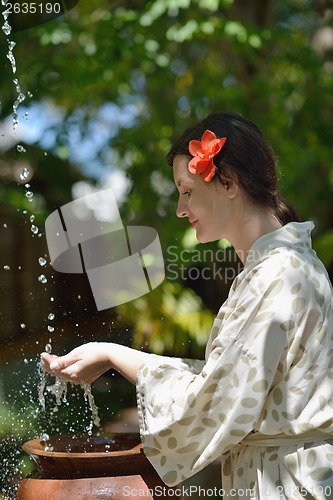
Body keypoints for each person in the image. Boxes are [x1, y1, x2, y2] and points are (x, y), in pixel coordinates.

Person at [42, 112, 333, 498]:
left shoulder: (278, 275)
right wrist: (111, 352)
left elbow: (209, 405)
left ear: (228, 183)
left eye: (187, 190)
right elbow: (225, 379)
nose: (181, 208)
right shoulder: (281, 267)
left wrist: (114, 354)